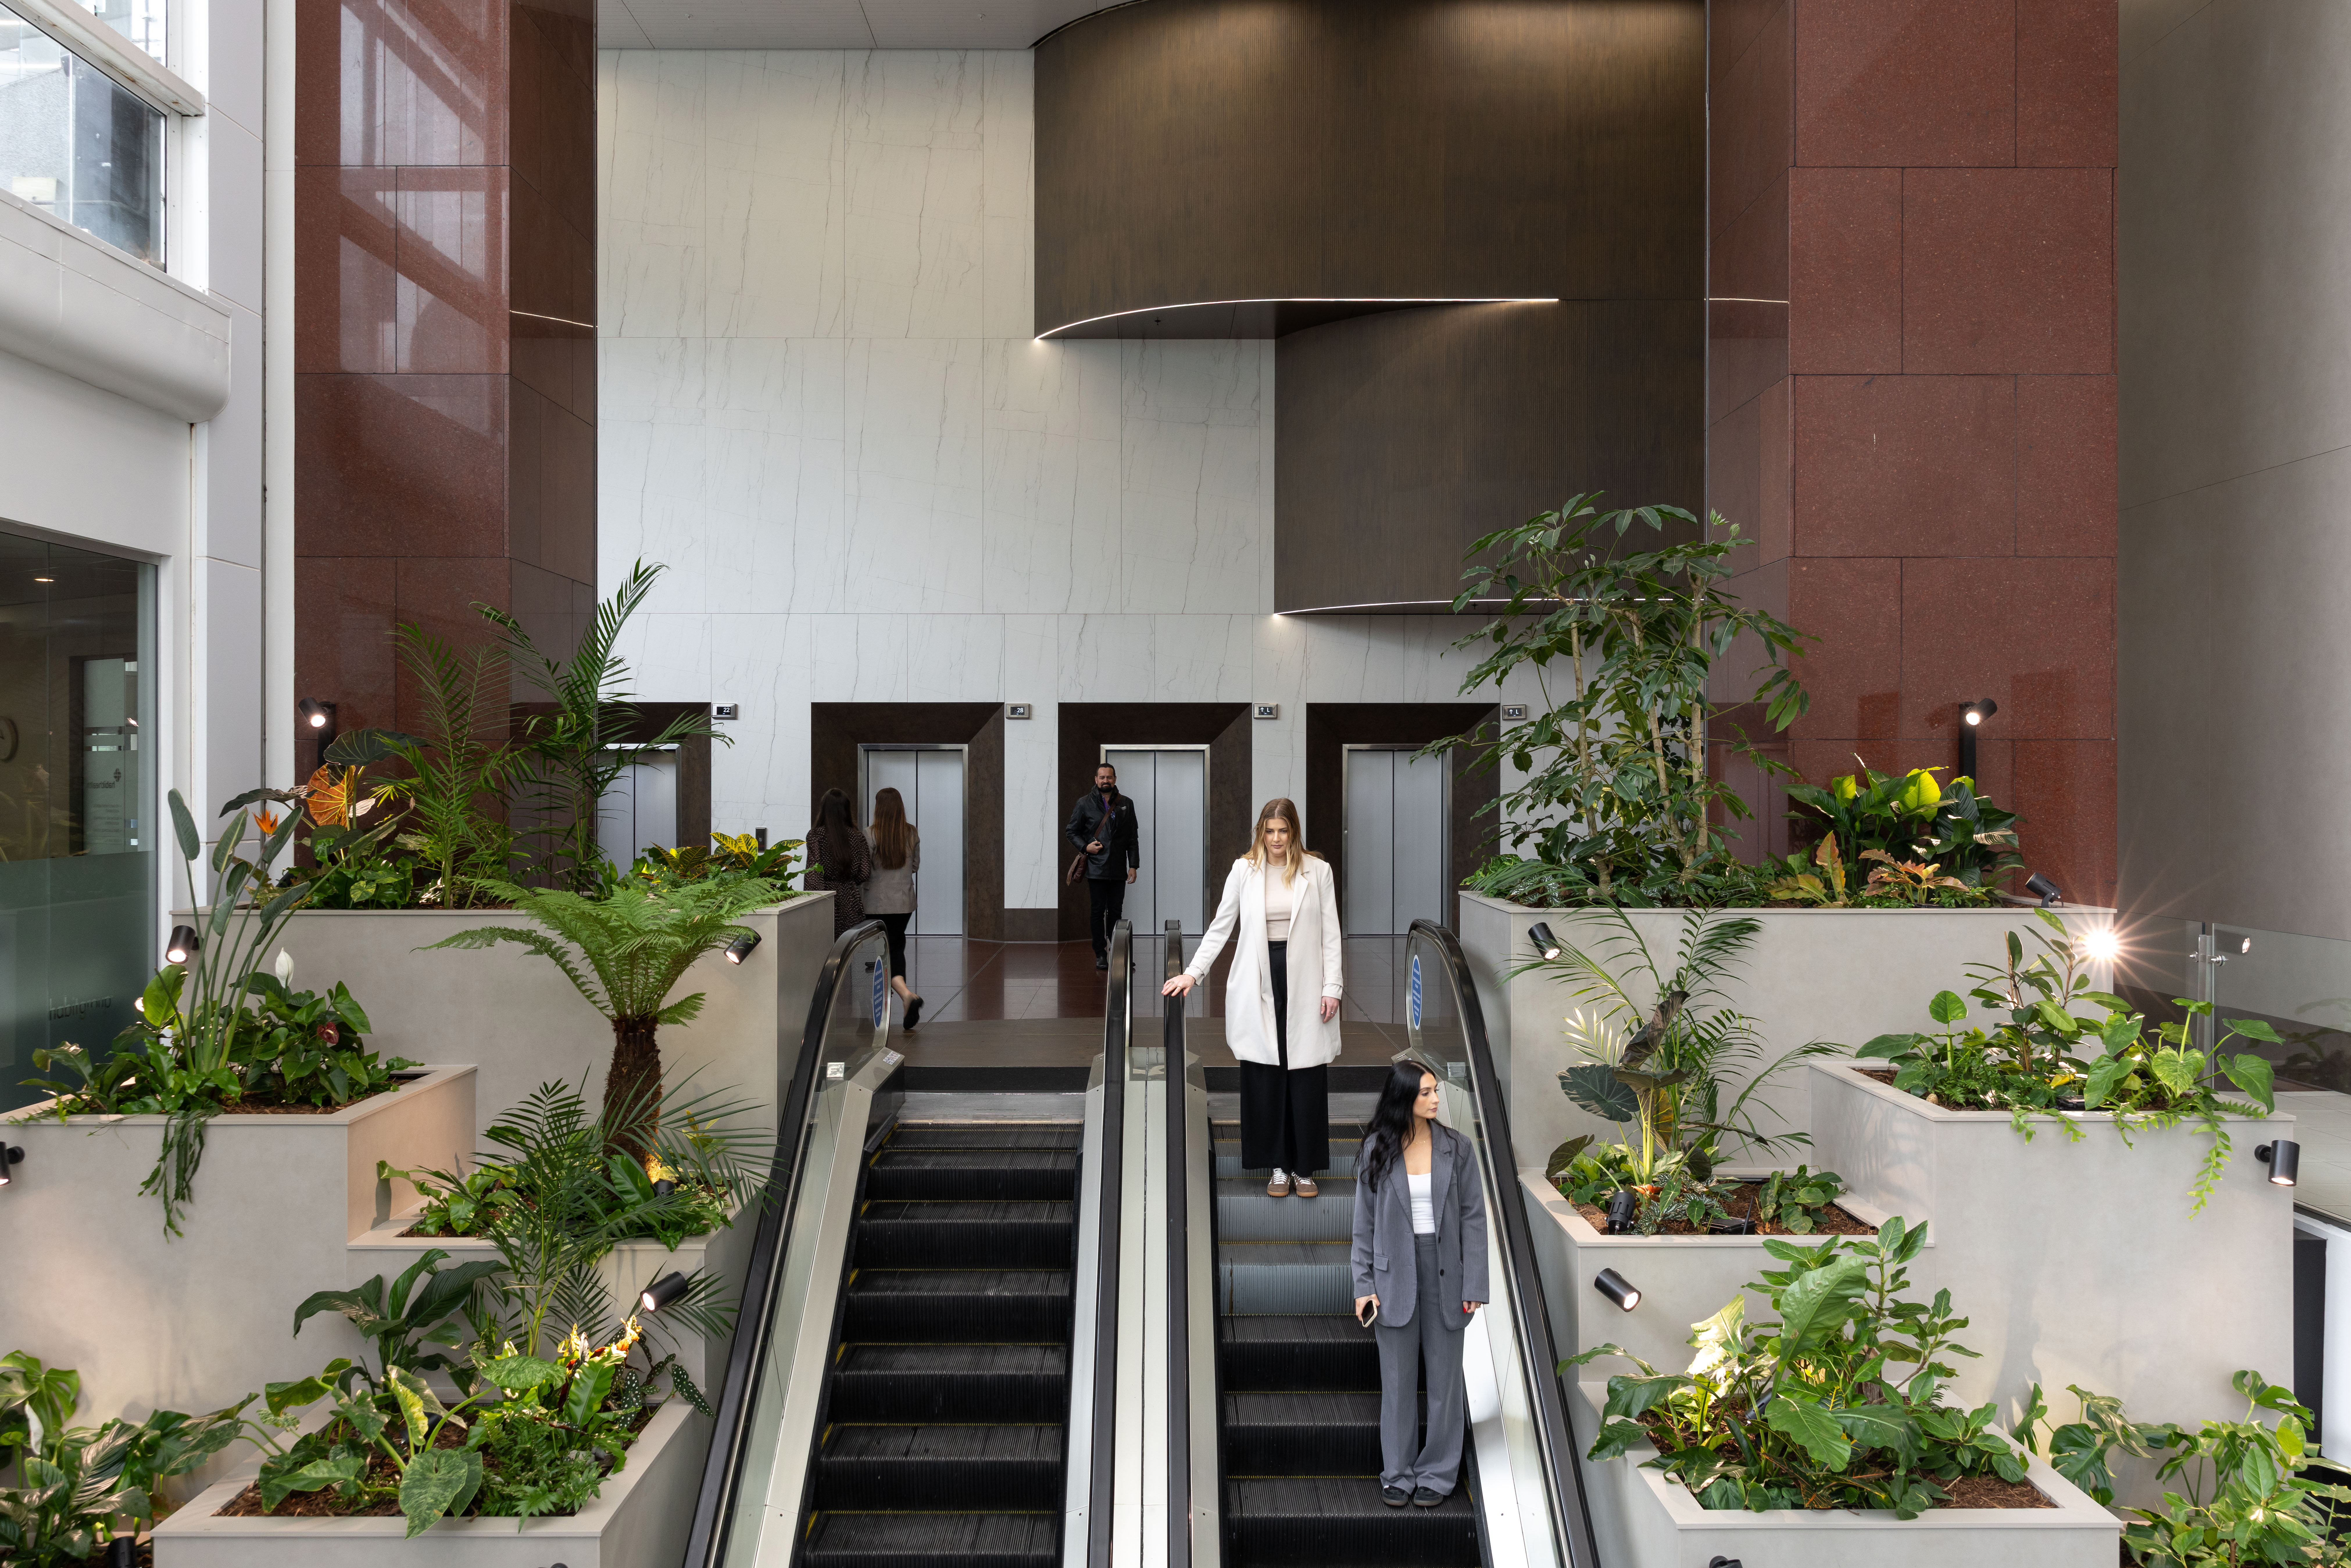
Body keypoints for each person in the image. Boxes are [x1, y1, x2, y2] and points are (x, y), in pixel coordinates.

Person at [1162, 798, 1341, 1197]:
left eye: (1284, 830)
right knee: (1265, 1073)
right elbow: (1221, 925)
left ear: (1294, 831)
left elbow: (1331, 932)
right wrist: (1193, 972)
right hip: (1259, 975)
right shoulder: (1245, 870)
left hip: (1306, 978)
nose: (1276, 839)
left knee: (1306, 1073)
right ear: (1260, 831)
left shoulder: (1319, 871)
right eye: (1269, 830)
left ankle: (1305, 1168)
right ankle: (1278, 1165)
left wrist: (1333, 987)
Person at [1351, 1062, 1488, 1509]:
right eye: (1426, 1092)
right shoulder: (1377, 1148)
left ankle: (1438, 1471)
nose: (1435, 1099)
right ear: (1404, 1096)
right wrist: (1363, 1284)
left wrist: (1476, 1282)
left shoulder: (1458, 1148)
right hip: (1393, 1276)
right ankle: (1397, 1472)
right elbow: (1363, 1226)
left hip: (1447, 1271)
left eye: (1436, 1091)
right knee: (1396, 1381)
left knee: (1447, 1381)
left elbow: (1474, 1218)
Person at [1065, 761, 1139, 971]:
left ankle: (1118, 951)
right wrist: (1086, 846)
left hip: (1118, 868)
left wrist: (1133, 865)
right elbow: (1071, 831)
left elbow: (1132, 837)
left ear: (1115, 779)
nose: (1105, 781)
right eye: (1102, 777)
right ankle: (1100, 953)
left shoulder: (1126, 803)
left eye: (1109, 777)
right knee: (1098, 911)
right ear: (1096, 780)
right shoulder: (1084, 803)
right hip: (1096, 868)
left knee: (1116, 911)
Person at [866, 786, 925, 1030]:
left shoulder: (869, 835)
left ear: (878, 808)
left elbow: (863, 869)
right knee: (897, 946)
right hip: (903, 902)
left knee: (880, 953)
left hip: (876, 903)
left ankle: (900, 997)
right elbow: (915, 866)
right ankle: (904, 999)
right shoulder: (911, 833)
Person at [805, 787, 871, 938]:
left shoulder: (816, 835)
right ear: (847, 809)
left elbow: (813, 873)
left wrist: (814, 901)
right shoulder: (858, 837)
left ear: (824, 809)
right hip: (851, 898)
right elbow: (865, 872)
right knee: (849, 947)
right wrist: (849, 883)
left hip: (826, 898)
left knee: (825, 947)